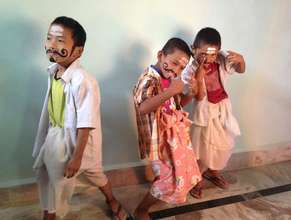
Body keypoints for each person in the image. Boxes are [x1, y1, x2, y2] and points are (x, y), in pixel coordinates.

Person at [32, 16, 128, 220]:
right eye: (49, 38)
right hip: (56, 137)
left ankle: (111, 199)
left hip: (80, 144)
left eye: (59, 40)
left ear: (78, 50)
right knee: (50, 178)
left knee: (96, 175)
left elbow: (86, 122)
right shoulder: (54, 72)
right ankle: (49, 215)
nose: (51, 45)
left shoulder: (84, 81)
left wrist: (76, 157)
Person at [133, 38, 202, 220]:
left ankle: (157, 194)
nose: (175, 70)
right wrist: (170, 91)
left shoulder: (169, 79)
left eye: (180, 68)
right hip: (159, 142)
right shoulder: (148, 79)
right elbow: (143, 107)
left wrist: (190, 94)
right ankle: (141, 209)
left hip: (175, 140)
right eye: (173, 63)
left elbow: (176, 106)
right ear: (160, 55)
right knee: (168, 178)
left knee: (177, 173)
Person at [182, 27, 246, 198]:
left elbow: (241, 70)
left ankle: (213, 171)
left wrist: (241, 60)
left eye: (213, 54)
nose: (208, 58)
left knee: (221, 145)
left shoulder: (221, 60)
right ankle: (196, 179)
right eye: (203, 53)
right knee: (201, 148)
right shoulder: (189, 69)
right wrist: (198, 76)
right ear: (193, 48)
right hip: (204, 114)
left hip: (223, 109)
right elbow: (199, 95)